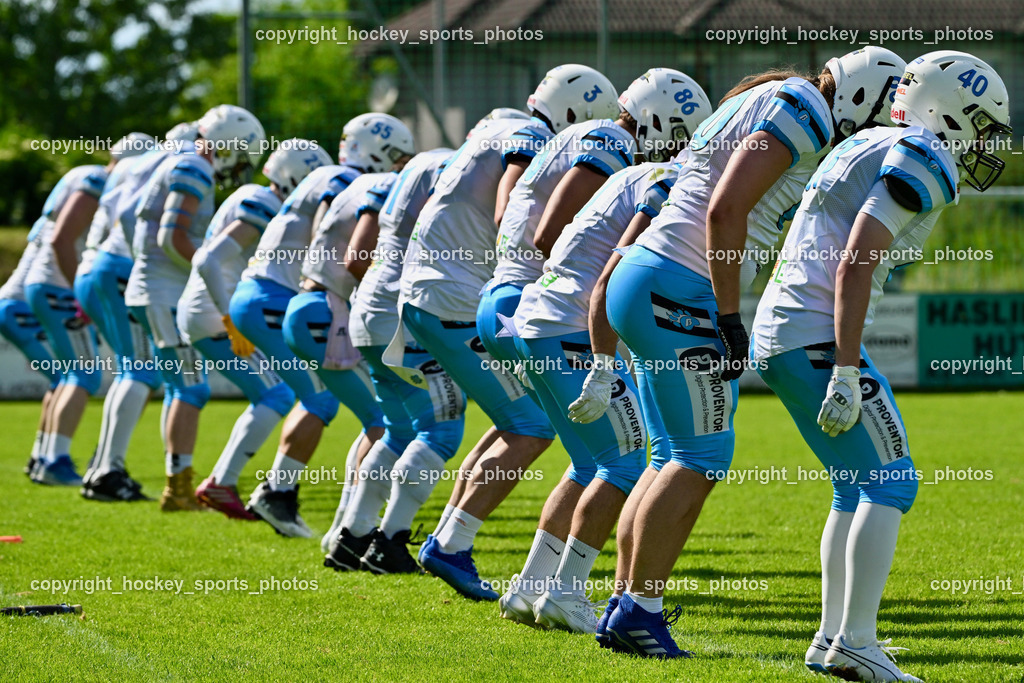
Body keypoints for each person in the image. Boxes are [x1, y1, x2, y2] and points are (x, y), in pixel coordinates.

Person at [570, 48, 907, 658]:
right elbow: (727, 210)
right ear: (864, 96)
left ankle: (627, 602)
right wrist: (728, 314)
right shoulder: (801, 105)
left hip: (646, 275)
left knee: (670, 452)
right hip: (680, 282)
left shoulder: (765, 99)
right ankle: (639, 610)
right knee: (701, 455)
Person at [751, 50, 1010, 682]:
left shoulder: (867, 140)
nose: (982, 141)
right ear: (945, 106)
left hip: (785, 328)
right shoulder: (922, 151)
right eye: (978, 121)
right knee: (892, 482)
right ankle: (856, 641)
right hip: (814, 332)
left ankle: (833, 637)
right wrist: (844, 367)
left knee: (855, 484)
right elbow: (858, 259)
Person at [499, 69, 712, 633]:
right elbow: (610, 274)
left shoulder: (632, 172)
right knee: (621, 462)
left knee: (589, 462)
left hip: (536, 320)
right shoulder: (657, 177)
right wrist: (601, 361)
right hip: (568, 323)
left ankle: (532, 586)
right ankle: (566, 592)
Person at [395, 66, 618, 600]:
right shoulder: (532, 136)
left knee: (513, 422)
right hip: (457, 296)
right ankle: (451, 543)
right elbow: (508, 207)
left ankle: (448, 536)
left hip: (436, 292)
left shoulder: (500, 126)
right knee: (531, 429)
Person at [233, 113, 413, 537]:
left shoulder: (326, 175)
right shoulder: (348, 179)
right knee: (378, 418)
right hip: (296, 299)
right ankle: (347, 524)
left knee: (322, 401)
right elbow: (332, 239)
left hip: (275, 295)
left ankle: (283, 492)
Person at [323, 147, 466, 572]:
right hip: (401, 313)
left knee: (398, 431)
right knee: (440, 431)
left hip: (369, 308)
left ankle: (352, 537)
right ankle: (389, 542)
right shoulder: (449, 167)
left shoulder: (411, 172)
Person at [175, 139, 333, 518]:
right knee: (280, 396)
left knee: (279, 394)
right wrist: (229, 318)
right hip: (214, 310)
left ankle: (221, 482)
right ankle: (222, 483)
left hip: (208, 308)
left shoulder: (258, 196)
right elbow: (208, 259)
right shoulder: (265, 202)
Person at [124, 104, 267, 511]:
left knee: (179, 387)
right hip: (163, 291)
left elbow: (131, 220)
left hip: (154, 288)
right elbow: (173, 237)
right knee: (190, 387)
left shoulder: (177, 160)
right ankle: (179, 488)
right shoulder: (195, 165)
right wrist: (209, 272)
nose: (234, 168)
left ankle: (178, 484)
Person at [79, 123, 198, 500]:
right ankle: (106, 472)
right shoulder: (176, 163)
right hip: (118, 266)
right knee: (141, 370)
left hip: (103, 264)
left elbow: (115, 209)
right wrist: (142, 259)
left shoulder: (143, 164)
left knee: (136, 369)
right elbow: (130, 215)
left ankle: (103, 464)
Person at [23, 159, 111, 485]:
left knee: (69, 375)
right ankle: (53, 461)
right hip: (57, 288)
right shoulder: (98, 181)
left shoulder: (88, 176)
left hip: (48, 285)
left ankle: (43, 457)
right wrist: (82, 293)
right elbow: (63, 239)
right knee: (85, 375)